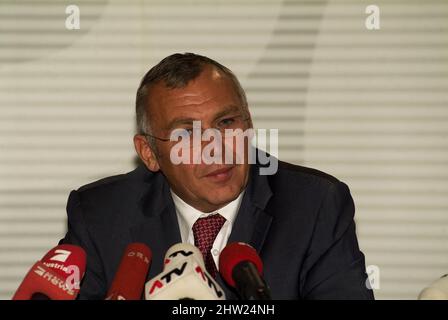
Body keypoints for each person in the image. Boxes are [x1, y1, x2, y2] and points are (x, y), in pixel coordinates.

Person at [60, 52, 374, 300]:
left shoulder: (315, 205)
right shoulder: (99, 215)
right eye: (187, 134)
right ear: (149, 153)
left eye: (226, 122)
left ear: (248, 124)